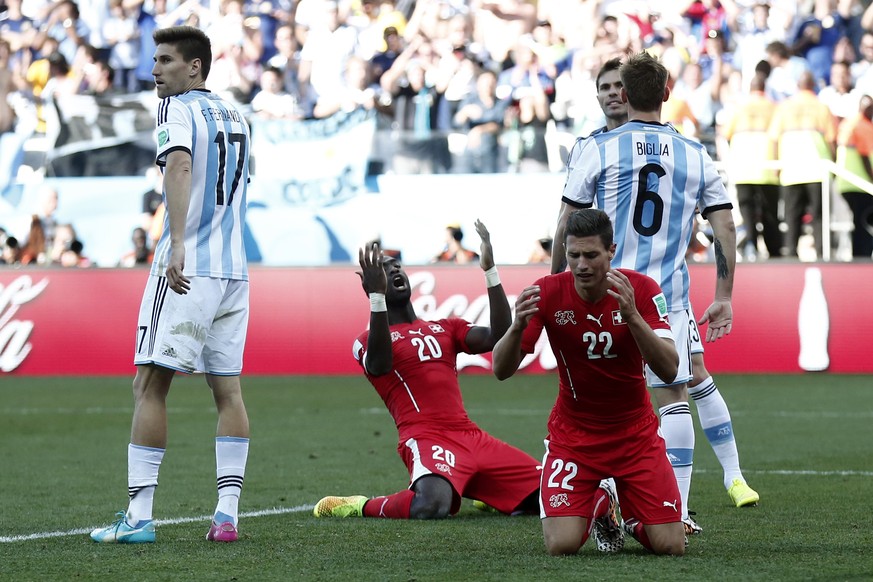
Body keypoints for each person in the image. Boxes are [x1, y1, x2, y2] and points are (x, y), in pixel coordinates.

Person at [554, 52, 757, 538]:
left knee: (598, 400)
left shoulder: (598, 149)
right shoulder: (694, 152)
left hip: (605, 294)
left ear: (623, 93)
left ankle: (599, 496)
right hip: (666, 299)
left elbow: (567, 224)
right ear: (667, 92)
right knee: (674, 399)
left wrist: (558, 286)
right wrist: (724, 294)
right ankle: (677, 510)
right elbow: (725, 223)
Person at [90, 25, 252, 544]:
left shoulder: (176, 109)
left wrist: (177, 241)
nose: (153, 70)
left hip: (189, 268)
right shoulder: (238, 116)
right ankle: (226, 515)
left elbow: (180, 164)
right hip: (234, 270)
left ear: (194, 67)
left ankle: (138, 519)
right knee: (227, 390)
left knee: (149, 384)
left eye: (163, 60)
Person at [313, 220, 541, 520]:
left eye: (396, 266)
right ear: (369, 284)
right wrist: (377, 298)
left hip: (472, 437)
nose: (394, 270)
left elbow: (499, 339)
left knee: (553, 492)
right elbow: (379, 367)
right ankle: (358, 505)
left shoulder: (445, 327)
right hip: (426, 438)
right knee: (431, 506)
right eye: (384, 269)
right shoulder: (366, 340)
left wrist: (490, 272)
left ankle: (490, 492)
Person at [492, 208, 685, 556]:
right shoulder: (547, 292)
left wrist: (632, 316)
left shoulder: (640, 288)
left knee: (671, 546)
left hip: (635, 435)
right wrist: (516, 327)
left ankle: (629, 511)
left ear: (611, 251)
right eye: (573, 255)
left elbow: (670, 368)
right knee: (561, 545)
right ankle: (601, 501)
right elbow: (501, 370)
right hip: (574, 437)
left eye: (591, 255)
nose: (581, 264)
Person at [768, 70, 836, 260]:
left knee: (792, 217)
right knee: (819, 217)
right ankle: (823, 255)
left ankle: (790, 253)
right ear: (813, 85)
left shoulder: (784, 107)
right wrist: (834, 163)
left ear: (798, 86)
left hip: (791, 171)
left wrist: (777, 166)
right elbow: (831, 140)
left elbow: (774, 138)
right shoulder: (822, 107)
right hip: (818, 171)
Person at [721, 72, 782, 260]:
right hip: (768, 168)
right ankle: (774, 251)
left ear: (750, 89)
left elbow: (725, 134)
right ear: (765, 88)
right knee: (770, 212)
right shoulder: (774, 107)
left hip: (743, 169)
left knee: (747, 211)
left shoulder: (739, 108)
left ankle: (751, 248)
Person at [835, 93, 873, 258]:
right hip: (859, 183)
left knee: (859, 221)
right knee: (863, 223)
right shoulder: (862, 124)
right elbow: (865, 156)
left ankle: (859, 254)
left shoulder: (849, 123)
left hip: (848, 182)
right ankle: (861, 256)